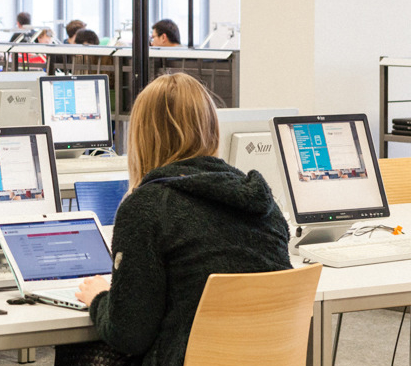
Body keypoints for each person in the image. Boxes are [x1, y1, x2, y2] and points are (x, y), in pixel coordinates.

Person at [68, 73, 293, 366]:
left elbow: (129, 335)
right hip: (269, 359)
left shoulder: (147, 207)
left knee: (77, 351)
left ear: (142, 136)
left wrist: (100, 299)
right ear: (212, 128)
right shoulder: (263, 203)